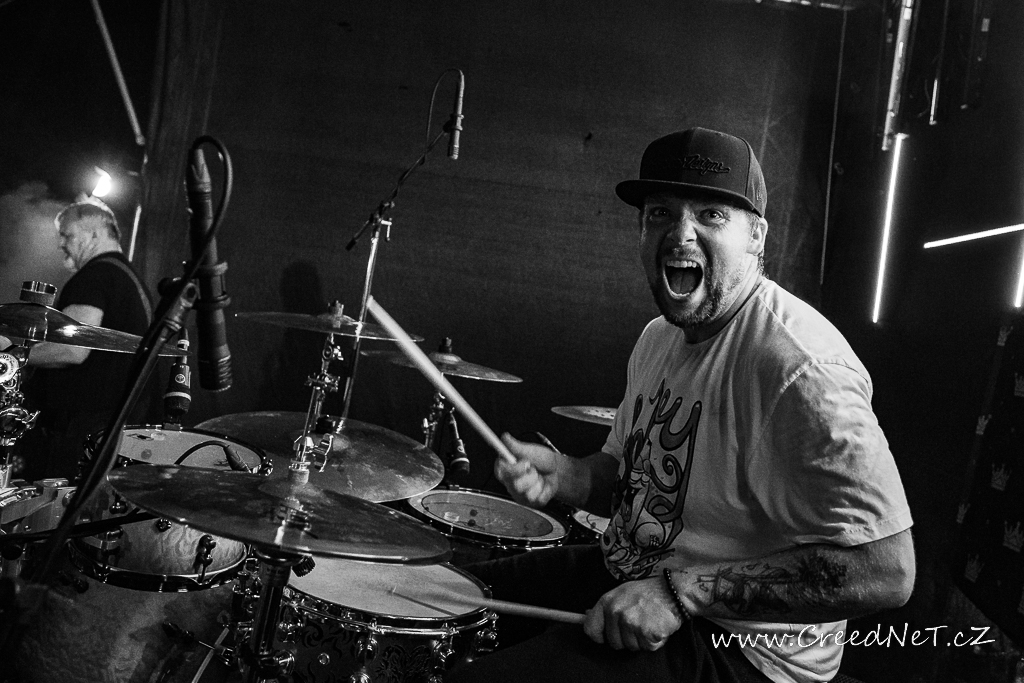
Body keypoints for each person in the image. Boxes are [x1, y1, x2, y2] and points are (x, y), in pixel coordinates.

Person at [450, 128, 915, 683]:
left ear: (757, 236)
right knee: (448, 597)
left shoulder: (800, 369)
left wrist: (681, 594)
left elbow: (886, 571)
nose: (680, 234)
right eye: (660, 214)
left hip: (741, 650)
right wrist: (568, 476)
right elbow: (633, 481)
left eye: (711, 215)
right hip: (632, 573)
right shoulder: (658, 338)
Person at [16, 198, 159, 481]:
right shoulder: (129, 278)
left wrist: (15, 355)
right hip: (115, 427)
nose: (61, 244)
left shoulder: (96, 275)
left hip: (83, 429)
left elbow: (71, 350)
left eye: (67, 235)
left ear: (94, 234)